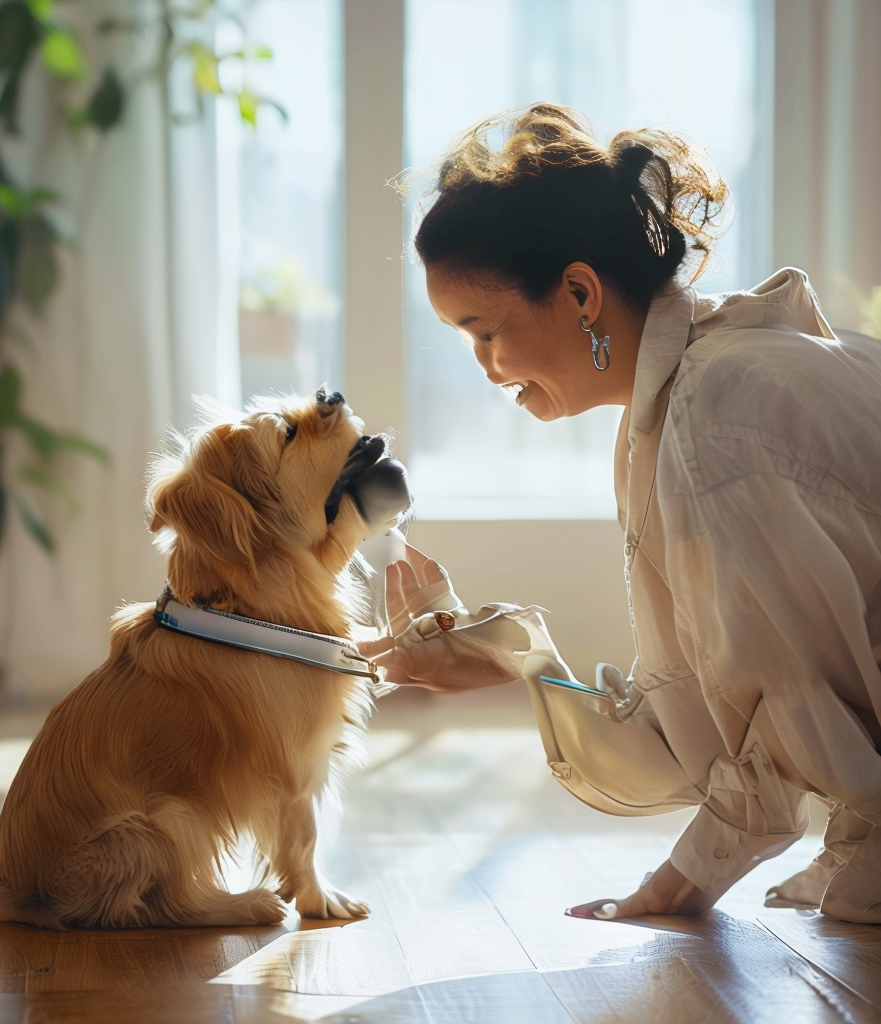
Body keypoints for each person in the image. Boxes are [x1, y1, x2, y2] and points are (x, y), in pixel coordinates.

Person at [359, 104, 881, 924]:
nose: (486, 369)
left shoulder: (717, 415)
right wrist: (516, 656)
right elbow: (711, 716)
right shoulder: (697, 390)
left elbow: (781, 720)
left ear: (579, 292)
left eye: (484, 332)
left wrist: (674, 890)